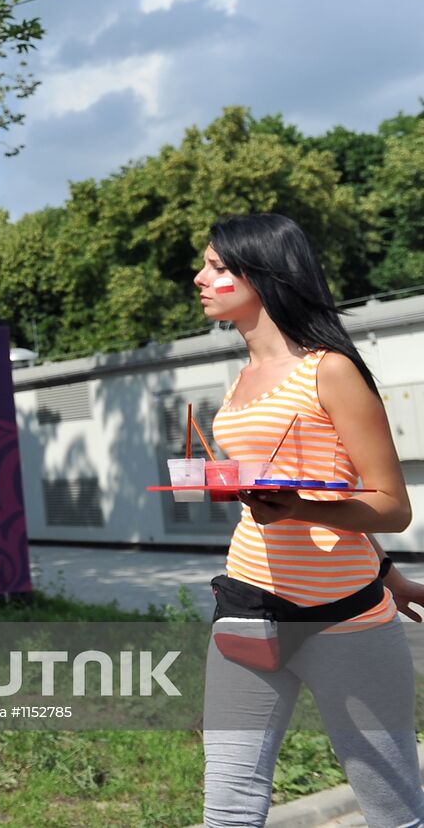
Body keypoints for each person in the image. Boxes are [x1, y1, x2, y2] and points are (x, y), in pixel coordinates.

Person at [195, 213, 424, 827]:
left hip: (344, 616)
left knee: (393, 808)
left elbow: (389, 504)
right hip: (247, 605)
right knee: (228, 810)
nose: (200, 277)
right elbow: (303, 485)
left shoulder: (331, 369)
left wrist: (303, 511)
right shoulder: (240, 382)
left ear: (262, 273)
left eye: (217, 266)